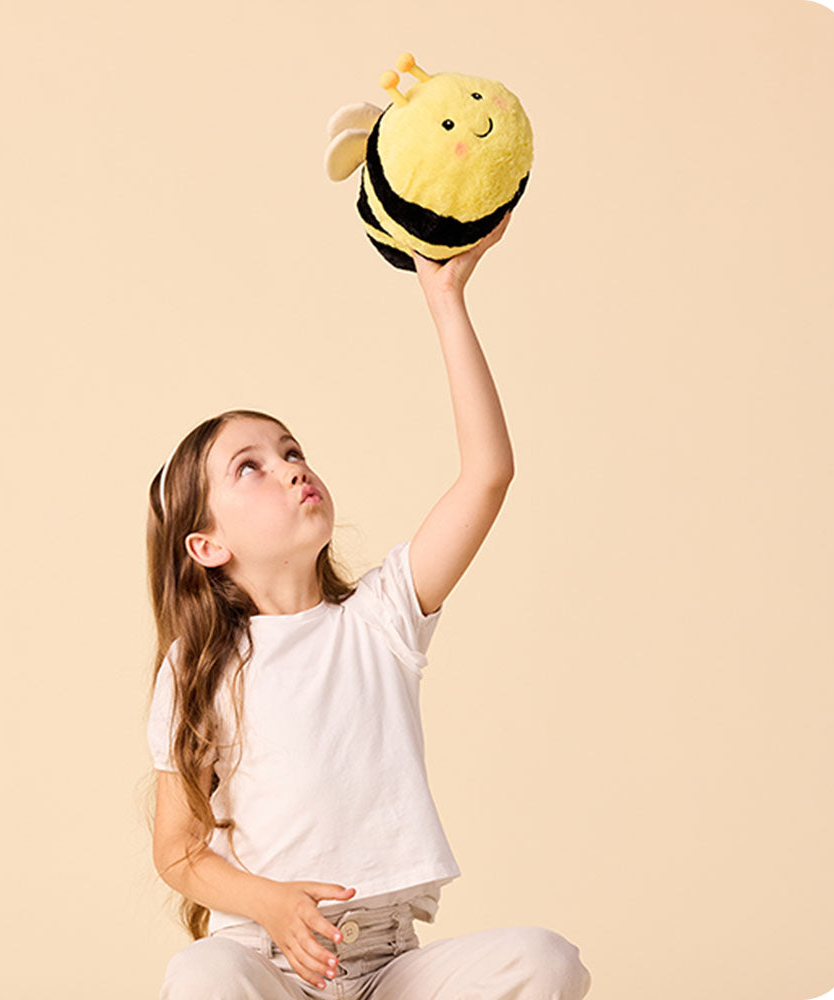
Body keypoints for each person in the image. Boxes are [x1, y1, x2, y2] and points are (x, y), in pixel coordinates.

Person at [144, 210, 593, 999]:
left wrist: (445, 301)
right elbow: (178, 851)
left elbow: (487, 474)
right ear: (207, 545)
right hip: (268, 959)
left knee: (545, 961)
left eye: (291, 451)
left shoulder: (382, 619)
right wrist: (271, 904)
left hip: (388, 964)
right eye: (250, 467)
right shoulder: (200, 667)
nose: (290, 468)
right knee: (202, 974)